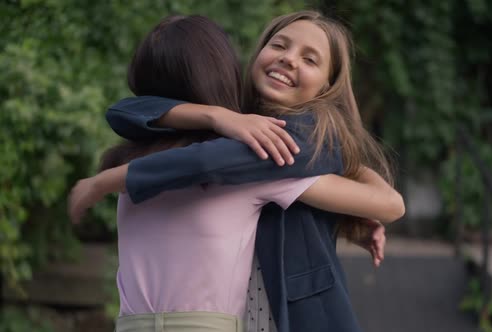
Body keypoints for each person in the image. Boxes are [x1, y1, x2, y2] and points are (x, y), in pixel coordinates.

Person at [69, 11, 405, 332]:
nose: (290, 58)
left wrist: (106, 181)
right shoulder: (240, 124)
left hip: (287, 316)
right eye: (279, 45)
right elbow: (125, 111)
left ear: (327, 87)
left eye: (310, 59)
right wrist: (219, 115)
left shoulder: (289, 141)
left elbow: (390, 203)